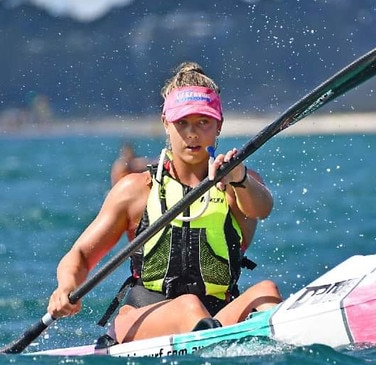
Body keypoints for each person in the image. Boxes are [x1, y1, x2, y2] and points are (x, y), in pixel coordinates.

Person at [47, 61, 283, 346]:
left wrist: (239, 175)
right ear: (165, 124)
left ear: (218, 125)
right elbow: (82, 255)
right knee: (188, 307)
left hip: (217, 316)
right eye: (182, 123)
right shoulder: (136, 190)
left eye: (203, 122)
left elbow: (262, 208)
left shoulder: (239, 183)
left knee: (266, 291)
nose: (192, 133)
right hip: (141, 319)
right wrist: (66, 287)